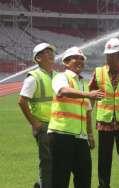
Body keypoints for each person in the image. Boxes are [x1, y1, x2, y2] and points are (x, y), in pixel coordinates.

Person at [48, 46, 104, 188]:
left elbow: (87, 111)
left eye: (82, 59)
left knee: (84, 179)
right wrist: (88, 94)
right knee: (60, 180)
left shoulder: (83, 83)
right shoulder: (60, 77)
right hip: (62, 135)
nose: (80, 61)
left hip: (81, 138)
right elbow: (63, 91)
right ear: (66, 62)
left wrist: (90, 134)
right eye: (75, 58)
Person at [88, 38, 119, 188]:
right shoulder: (98, 73)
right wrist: (87, 122)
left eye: (112, 55)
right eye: (107, 55)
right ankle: (103, 185)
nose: (108, 58)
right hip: (105, 124)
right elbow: (90, 97)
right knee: (104, 159)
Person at [18, 42, 56, 188]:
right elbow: (22, 101)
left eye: (51, 51)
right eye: (46, 52)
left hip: (58, 125)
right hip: (44, 125)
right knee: (46, 161)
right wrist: (34, 123)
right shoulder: (33, 77)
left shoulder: (57, 76)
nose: (51, 54)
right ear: (38, 58)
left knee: (57, 160)